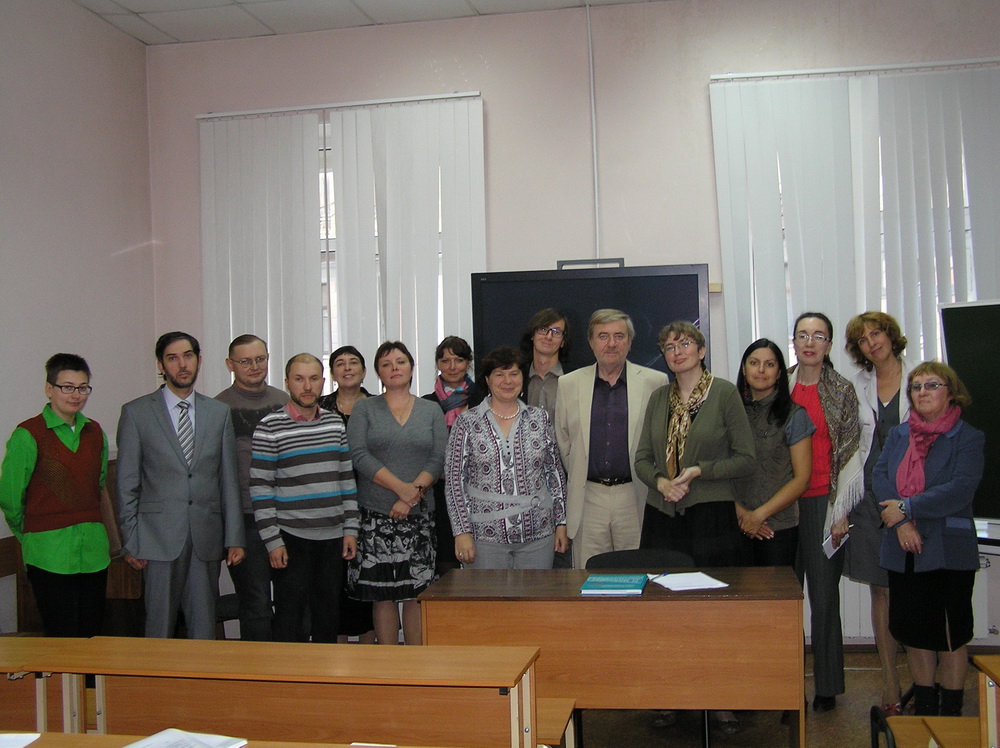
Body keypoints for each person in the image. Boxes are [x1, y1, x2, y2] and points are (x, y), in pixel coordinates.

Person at [116, 331, 245, 639]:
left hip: (205, 535)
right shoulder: (136, 413)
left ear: (198, 360)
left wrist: (235, 537)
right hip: (156, 539)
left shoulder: (218, 413)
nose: (182, 365)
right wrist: (131, 540)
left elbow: (228, 479)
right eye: (172, 358)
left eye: (188, 356)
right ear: (161, 365)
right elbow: (127, 483)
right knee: (159, 627)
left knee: (204, 627)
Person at [874, 362, 983, 717]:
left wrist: (906, 508)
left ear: (950, 392)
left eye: (931, 385)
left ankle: (950, 715)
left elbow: (960, 489)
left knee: (948, 636)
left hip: (947, 551)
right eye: (916, 387)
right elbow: (880, 476)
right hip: (903, 547)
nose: (922, 392)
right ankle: (924, 709)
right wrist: (902, 523)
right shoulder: (899, 435)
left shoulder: (967, 437)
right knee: (915, 633)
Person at [0, 354, 120, 637]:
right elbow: (10, 497)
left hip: (93, 551)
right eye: (67, 387)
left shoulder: (95, 432)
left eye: (82, 387)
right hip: (48, 553)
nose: (75, 395)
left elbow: (97, 486)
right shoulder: (28, 434)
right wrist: (31, 534)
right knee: (60, 636)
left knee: (92, 634)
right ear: (49, 389)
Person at [249, 353, 359, 643]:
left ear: (323, 382)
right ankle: (289, 672)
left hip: (332, 537)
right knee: (290, 619)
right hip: (291, 538)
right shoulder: (269, 427)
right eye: (299, 379)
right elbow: (260, 488)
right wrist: (273, 541)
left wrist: (350, 530)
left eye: (313, 379)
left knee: (328, 618)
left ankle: (325, 672)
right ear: (287, 382)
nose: (307, 387)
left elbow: (346, 480)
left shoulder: (334, 424)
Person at [348, 341, 447, 644]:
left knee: (417, 593)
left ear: (412, 368)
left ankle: (416, 662)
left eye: (400, 362)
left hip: (419, 516)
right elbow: (359, 455)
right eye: (386, 364)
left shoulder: (431, 409)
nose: (394, 368)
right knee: (383, 595)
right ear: (377, 372)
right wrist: (402, 490)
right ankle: (388, 662)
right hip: (375, 515)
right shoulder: (364, 408)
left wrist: (412, 496)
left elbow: (438, 458)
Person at [788, 312, 862, 712]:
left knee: (824, 598)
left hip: (824, 503)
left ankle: (827, 686)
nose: (810, 342)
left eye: (818, 336)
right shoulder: (777, 385)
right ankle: (784, 688)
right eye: (803, 335)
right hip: (783, 505)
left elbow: (850, 454)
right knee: (783, 601)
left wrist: (841, 512)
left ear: (829, 345)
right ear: (794, 343)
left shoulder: (842, 391)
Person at [555, 309, 668, 569]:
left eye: (619, 336)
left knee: (636, 574)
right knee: (588, 575)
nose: (611, 343)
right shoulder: (568, 384)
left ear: (630, 341)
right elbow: (563, 440)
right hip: (588, 497)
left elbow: (661, 440)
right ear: (591, 342)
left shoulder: (655, 381)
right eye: (603, 336)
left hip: (635, 494)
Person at [843, 311, 912, 715]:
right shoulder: (858, 385)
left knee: (914, 591)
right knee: (881, 590)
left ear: (891, 336)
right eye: (863, 339)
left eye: (877, 334)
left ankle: (925, 679)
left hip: (911, 499)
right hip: (869, 501)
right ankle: (890, 680)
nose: (872, 343)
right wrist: (841, 506)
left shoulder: (920, 376)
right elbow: (849, 447)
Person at [445, 347, 568, 569]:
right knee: (487, 594)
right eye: (499, 374)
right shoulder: (467, 422)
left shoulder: (539, 419)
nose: (507, 381)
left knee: (537, 593)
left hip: (538, 537)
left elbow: (554, 473)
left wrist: (561, 522)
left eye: (513, 373)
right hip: (484, 539)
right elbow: (455, 481)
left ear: (522, 378)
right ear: (487, 380)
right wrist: (461, 532)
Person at [214, 334, 288, 641]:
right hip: (243, 518)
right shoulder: (217, 408)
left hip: (287, 516)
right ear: (230, 365)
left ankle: (293, 665)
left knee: (292, 601)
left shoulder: (285, 402)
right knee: (255, 603)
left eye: (260, 359)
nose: (254, 366)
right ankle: (257, 667)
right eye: (245, 361)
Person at [733, 339, 814, 566]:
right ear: (744, 369)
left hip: (777, 528)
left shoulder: (794, 415)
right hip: (734, 524)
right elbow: (719, 472)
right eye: (754, 363)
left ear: (779, 373)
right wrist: (743, 515)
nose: (761, 370)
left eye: (769, 364)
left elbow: (802, 479)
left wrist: (758, 516)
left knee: (775, 590)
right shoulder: (731, 414)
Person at [318, 345, 376, 643]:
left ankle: (369, 650)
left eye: (354, 362)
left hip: (372, 500)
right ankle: (337, 651)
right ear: (333, 373)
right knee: (334, 580)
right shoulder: (319, 408)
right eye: (340, 363)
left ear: (364, 371)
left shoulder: (379, 406)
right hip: (331, 503)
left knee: (368, 578)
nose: (347, 368)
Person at [423, 335, 485, 573]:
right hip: (439, 488)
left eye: (458, 360)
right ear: (438, 364)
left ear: (468, 363)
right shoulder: (426, 404)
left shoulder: (483, 400)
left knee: (480, 561)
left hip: (479, 489)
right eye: (445, 361)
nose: (452, 367)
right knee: (446, 560)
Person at [519, 308, 570, 421]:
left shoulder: (575, 380)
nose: (548, 337)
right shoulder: (516, 378)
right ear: (532, 335)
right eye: (543, 329)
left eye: (556, 332)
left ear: (563, 341)